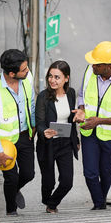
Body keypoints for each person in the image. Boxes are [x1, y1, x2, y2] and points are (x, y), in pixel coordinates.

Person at [73, 41, 111, 210]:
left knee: (105, 171)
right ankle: (100, 205)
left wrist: (99, 121)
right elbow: (81, 95)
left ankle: (100, 204)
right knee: (90, 173)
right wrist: (81, 110)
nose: (92, 65)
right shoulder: (89, 72)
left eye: (96, 64)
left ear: (107, 66)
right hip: (88, 133)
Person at [0, 49, 36, 215]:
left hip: (25, 135)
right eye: (24, 70)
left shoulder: (27, 79)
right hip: (5, 142)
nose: (28, 71)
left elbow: (31, 103)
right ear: (12, 73)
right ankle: (11, 211)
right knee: (11, 178)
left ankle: (14, 190)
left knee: (28, 174)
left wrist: (33, 126)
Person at [35, 60, 80, 213]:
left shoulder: (71, 93)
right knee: (49, 182)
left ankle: (52, 204)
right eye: (50, 76)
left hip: (65, 142)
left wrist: (76, 140)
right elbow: (39, 122)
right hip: (47, 144)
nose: (52, 80)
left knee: (67, 182)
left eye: (57, 77)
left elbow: (71, 121)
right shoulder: (43, 97)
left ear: (66, 78)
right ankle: (47, 200)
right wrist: (44, 132)